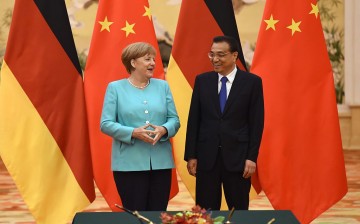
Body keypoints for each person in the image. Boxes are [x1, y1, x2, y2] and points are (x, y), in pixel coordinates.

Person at [184, 36, 264, 210]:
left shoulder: (252, 83)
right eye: (212, 54)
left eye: (220, 54)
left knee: (239, 212)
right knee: (205, 213)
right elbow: (194, 120)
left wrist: (251, 157)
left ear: (234, 55)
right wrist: (191, 155)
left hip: (238, 159)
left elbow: (256, 123)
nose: (215, 59)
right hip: (206, 158)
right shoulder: (202, 81)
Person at [100, 42, 180, 211]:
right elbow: (106, 124)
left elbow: (174, 119)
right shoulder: (115, 88)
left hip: (161, 163)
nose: (153, 63)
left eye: (154, 59)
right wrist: (133, 132)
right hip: (129, 164)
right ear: (133, 63)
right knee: (136, 214)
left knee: (158, 214)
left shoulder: (163, 86)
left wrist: (164, 129)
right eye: (147, 59)